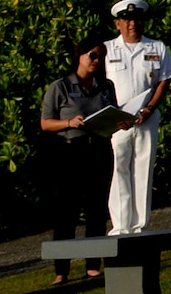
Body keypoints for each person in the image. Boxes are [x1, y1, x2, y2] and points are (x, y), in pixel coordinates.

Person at [39, 33, 119, 281]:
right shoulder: (61, 86)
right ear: (80, 56)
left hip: (99, 149)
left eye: (100, 56)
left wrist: (120, 122)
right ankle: (61, 270)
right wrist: (68, 122)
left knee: (96, 209)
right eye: (92, 56)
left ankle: (92, 265)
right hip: (71, 151)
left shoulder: (106, 87)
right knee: (67, 210)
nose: (96, 61)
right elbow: (45, 123)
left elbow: (111, 114)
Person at [103, 0, 171, 235]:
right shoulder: (106, 49)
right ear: (118, 24)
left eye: (136, 19)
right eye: (126, 19)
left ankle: (139, 225)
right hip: (117, 120)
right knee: (118, 168)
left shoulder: (156, 47)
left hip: (146, 117)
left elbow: (165, 79)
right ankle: (120, 224)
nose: (132, 23)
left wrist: (151, 108)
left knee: (143, 168)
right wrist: (113, 114)